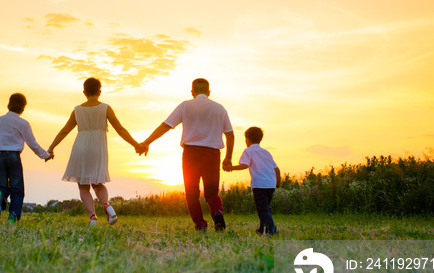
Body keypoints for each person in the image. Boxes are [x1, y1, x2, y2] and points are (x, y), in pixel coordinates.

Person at [48, 77, 145, 226]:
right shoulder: (105, 108)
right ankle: (107, 205)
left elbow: (64, 131)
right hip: (98, 147)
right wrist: (135, 144)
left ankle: (93, 216)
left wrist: (51, 147)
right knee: (98, 183)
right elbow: (120, 129)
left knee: (83, 186)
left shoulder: (77, 110)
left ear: (84, 92)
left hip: (80, 146)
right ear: (100, 91)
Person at [141, 78, 234, 231]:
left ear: (192, 92)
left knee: (191, 193)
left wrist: (147, 142)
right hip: (212, 153)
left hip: (191, 153)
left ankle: (200, 224)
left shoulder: (185, 106)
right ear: (209, 92)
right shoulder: (220, 109)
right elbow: (230, 134)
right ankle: (217, 212)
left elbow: (166, 125)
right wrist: (228, 158)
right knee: (211, 192)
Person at [0, 93, 53, 223]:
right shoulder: (23, 123)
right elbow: (32, 143)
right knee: (17, 189)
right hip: (13, 156)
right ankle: (12, 218)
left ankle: (1, 195)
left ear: (8, 105)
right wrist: (45, 155)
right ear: (23, 109)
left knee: (1, 186)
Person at [224, 126, 280, 235]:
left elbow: (244, 165)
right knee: (265, 207)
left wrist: (231, 168)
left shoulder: (248, 151)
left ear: (247, 139)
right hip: (270, 184)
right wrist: (278, 183)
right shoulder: (266, 152)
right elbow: (276, 169)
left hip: (259, 184)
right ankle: (261, 229)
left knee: (262, 209)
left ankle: (272, 230)